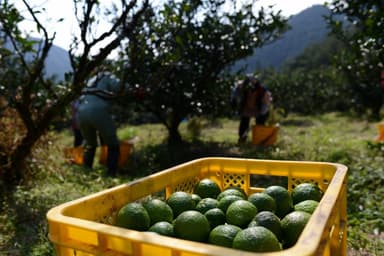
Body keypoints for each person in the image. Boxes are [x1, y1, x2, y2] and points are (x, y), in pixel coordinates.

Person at [76, 71, 124, 176]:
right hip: (99, 111)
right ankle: (111, 172)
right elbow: (119, 87)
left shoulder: (91, 80)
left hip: (82, 111)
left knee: (90, 143)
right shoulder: (108, 76)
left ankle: (87, 170)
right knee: (113, 143)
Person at [232, 75, 272, 144]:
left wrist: (263, 111)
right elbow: (236, 95)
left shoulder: (261, 90)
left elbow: (266, 102)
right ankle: (242, 138)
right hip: (247, 108)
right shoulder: (243, 88)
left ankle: (259, 140)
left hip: (258, 109)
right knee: (244, 124)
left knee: (260, 125)